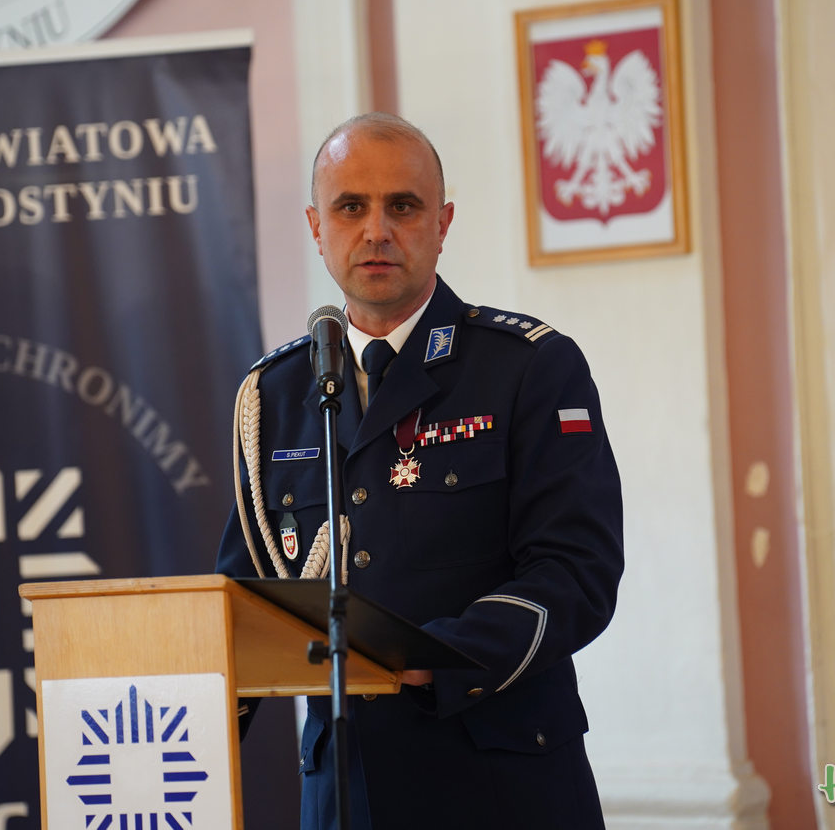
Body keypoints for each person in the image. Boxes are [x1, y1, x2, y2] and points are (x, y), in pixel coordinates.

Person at [216, 112, 624, 829]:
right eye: (351, 207)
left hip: (498, 783)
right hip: (345, 794)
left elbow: (576, 570)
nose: (376, 230)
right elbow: (241, 602)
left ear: (443, 223)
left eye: (402, 206)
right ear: (316, 227)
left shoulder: (527, 367)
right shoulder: (275, 395)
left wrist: (440, 655)